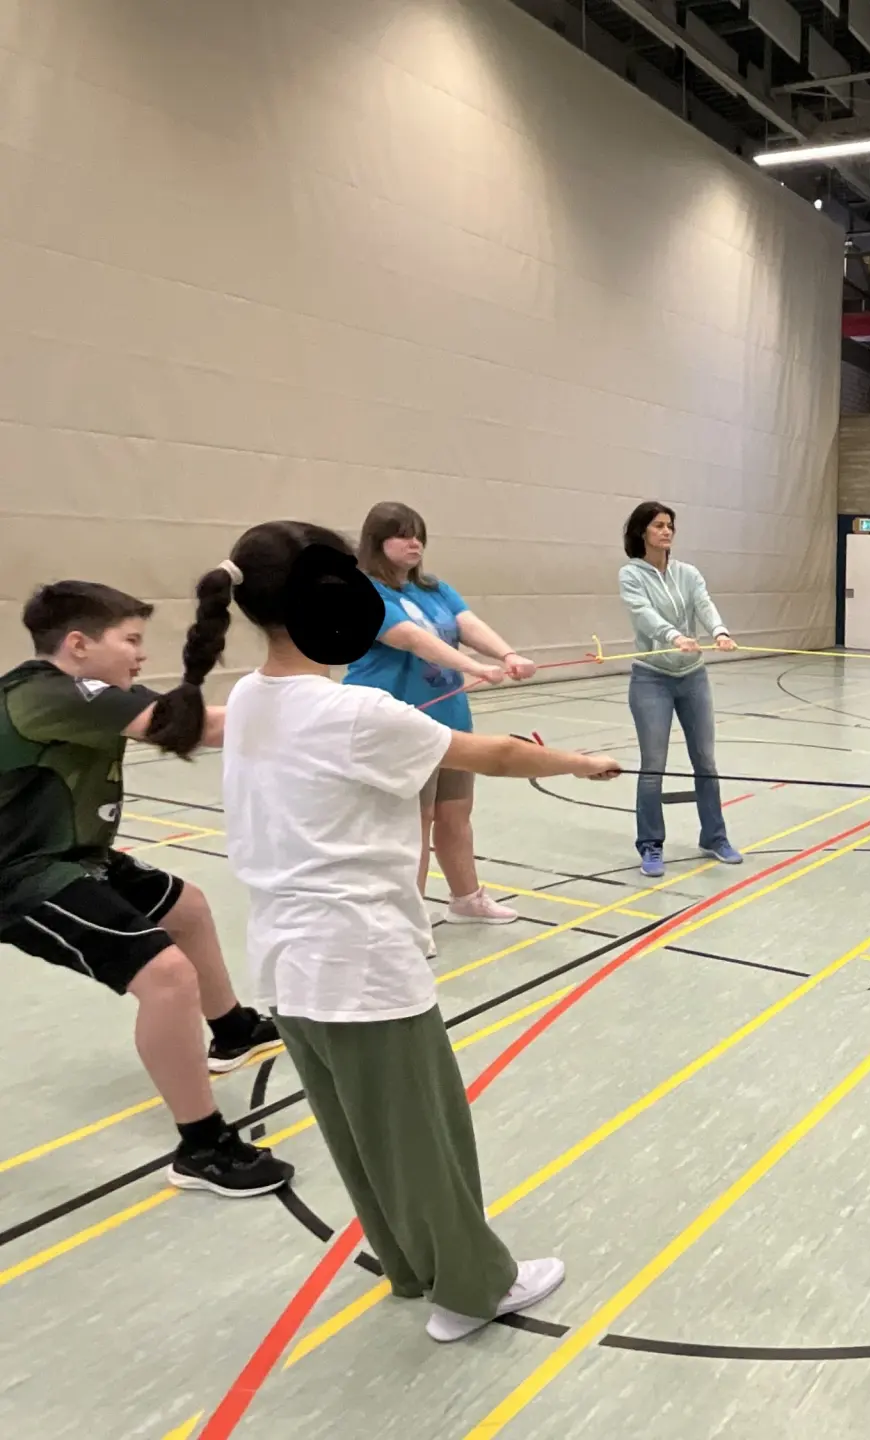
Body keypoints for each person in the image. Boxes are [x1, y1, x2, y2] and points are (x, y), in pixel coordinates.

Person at [151, 521, 624, 1342]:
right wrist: (580, 762)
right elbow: (491, 754)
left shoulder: (254, 698)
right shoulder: (356, 712)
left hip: (287, 966)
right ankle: (471, 1288)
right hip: (360, 960)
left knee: (364, 1139)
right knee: (421, 1135)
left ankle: (412, 1265)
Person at [1, 582, 287, 1197]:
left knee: (188, 908)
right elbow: (193, 729)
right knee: (166, 977)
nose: (140, 654)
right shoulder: (46, 693)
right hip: (19, 876)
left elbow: (188, 721)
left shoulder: (80, 693)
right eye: (130, 640)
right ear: (78, 645)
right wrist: (316, 712)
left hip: (76, 855)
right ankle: (202, 1147)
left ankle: (234, 1030)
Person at [346, 502, 535, 930]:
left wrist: (507, 654)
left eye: (419, 535)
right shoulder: (364, 593)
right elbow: (411, 639)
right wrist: (475, 667)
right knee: (415, 821)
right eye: (402, 535)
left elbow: (468, 624)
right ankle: (408, 919)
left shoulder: (434, 588)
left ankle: (466, 899)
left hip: (448, 718)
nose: (414, 543)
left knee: (455, 812)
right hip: (399, 721)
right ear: (376, 542)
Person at [618, 501, 740, 878]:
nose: (666, 531)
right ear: (642, 532)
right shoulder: (630, 575)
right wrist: (674, 636)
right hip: (651, 679)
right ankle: (650, 844)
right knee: (653, 766)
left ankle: (714, 837)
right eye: (658, 525)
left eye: (669, 525)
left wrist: (719, 631)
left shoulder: (688, 573)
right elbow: (644, 615)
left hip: (693, 677)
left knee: (705, 761)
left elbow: (703, 604)